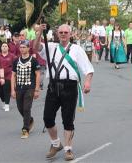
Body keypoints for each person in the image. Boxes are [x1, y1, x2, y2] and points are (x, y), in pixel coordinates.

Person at [33, 24, 93, 161]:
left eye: (66, 32)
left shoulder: (77, 49)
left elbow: (88, 69)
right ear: (57, 34)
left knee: (67, 120)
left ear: (70, 34)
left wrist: (88, 81)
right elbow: (36, 47)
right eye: (61, 32)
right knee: (47, 118)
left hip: (70, 87)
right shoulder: (51, 47)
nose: (63, 34)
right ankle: (55, 144)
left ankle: (68, 149)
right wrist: (40, 32)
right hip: (53, 87)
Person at [11, 40, 41, 139]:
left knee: (26, 108)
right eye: (21, 47)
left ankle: (25, 129)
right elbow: (13, 75)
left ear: (28, 48)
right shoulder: (16, 60)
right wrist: (12, 89)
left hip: (30, 88)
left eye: (24, 47)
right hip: (19, 88)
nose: (22, 49)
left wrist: (36, 89)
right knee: (20, 108)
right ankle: (30, 120)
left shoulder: (33, 60)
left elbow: (37, 74)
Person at [0, 42, 16, 112]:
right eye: (3, 46)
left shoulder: (12, 56)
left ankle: (7, 105)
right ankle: (4, 101)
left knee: (6, 90)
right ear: (1, 48)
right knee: (0, 91)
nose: (4, 47)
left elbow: (16, 65)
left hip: (9, 75)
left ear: (8, 48)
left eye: (6, 46)